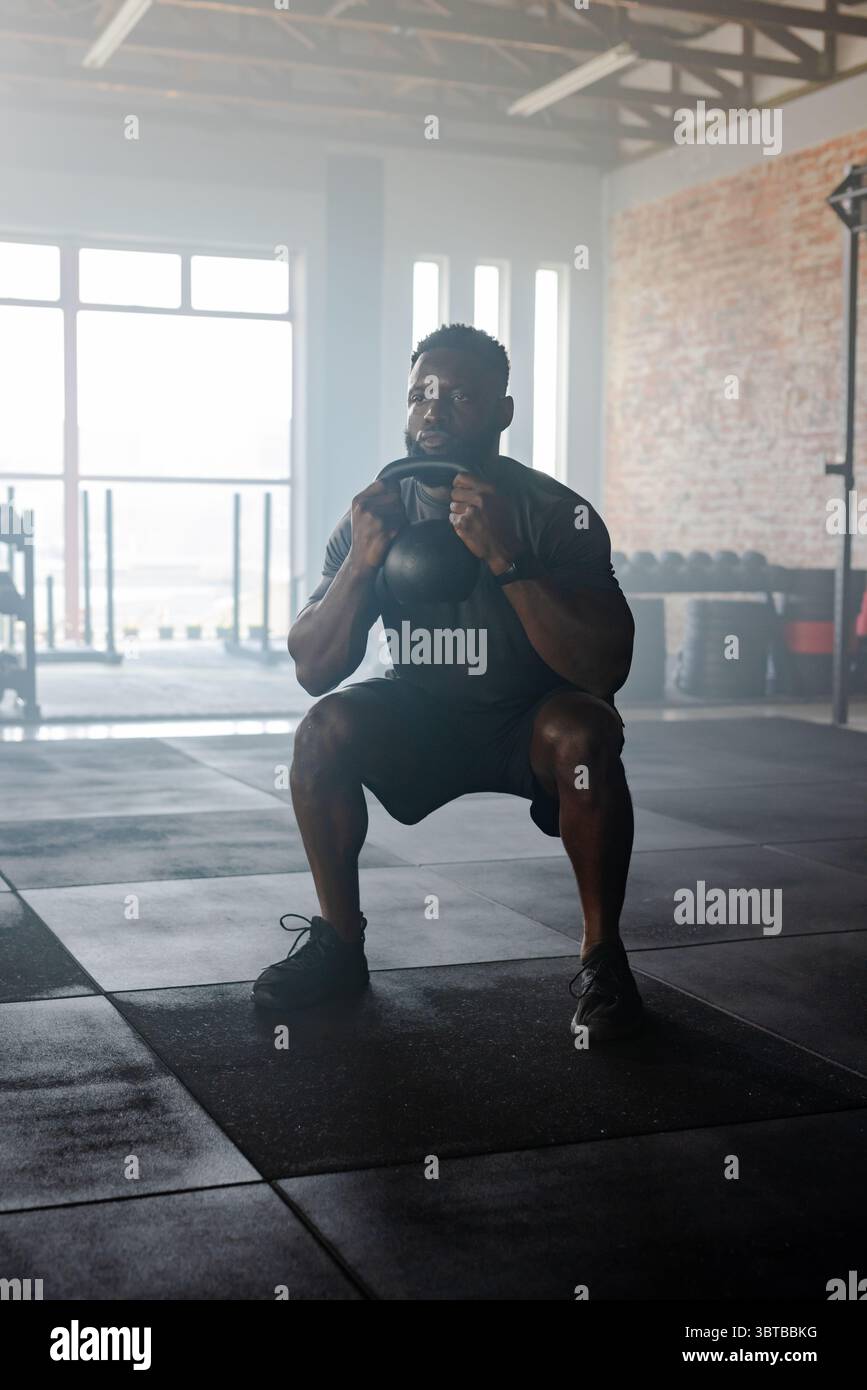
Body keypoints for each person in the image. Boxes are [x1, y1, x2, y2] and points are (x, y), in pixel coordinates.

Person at [253, 324, 642, 1040]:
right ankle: (340, 945)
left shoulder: (557, 514)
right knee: (322, 731)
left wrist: (504, 557)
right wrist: (362, 564)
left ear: (502, 412)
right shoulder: (372, 515)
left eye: (458, 396)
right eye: (419, 395)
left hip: (530, 716)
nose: (432, 411)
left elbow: (601, 670)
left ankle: (602, 960)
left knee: (587, 732)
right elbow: (314, 668)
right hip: (420, 709)